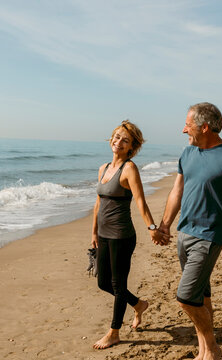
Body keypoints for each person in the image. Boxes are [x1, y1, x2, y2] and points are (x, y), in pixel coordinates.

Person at [157, 103, 222, 360]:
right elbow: (177, 191)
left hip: (209, 236)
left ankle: (212, 350)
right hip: (184, 233)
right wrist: (165, 224)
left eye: (187, 125)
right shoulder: (188, 153)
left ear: (204, 127)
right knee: (201, 294)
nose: (183, 129)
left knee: (186, 298)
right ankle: (203, 351)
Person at [91, 120, 168, 350]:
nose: (118, 142)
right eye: (116, 137)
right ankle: (138, 304)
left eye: (125, 140)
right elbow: (98, 203)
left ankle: (114, 332)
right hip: (104, 235)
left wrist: (152, 228)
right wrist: (93, 232)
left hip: (122, 236)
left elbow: (141, 202)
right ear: (111, 139)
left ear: (131, 146)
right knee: (103, 282)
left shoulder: (129, 169)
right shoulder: (103, 168)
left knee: (117, 284)